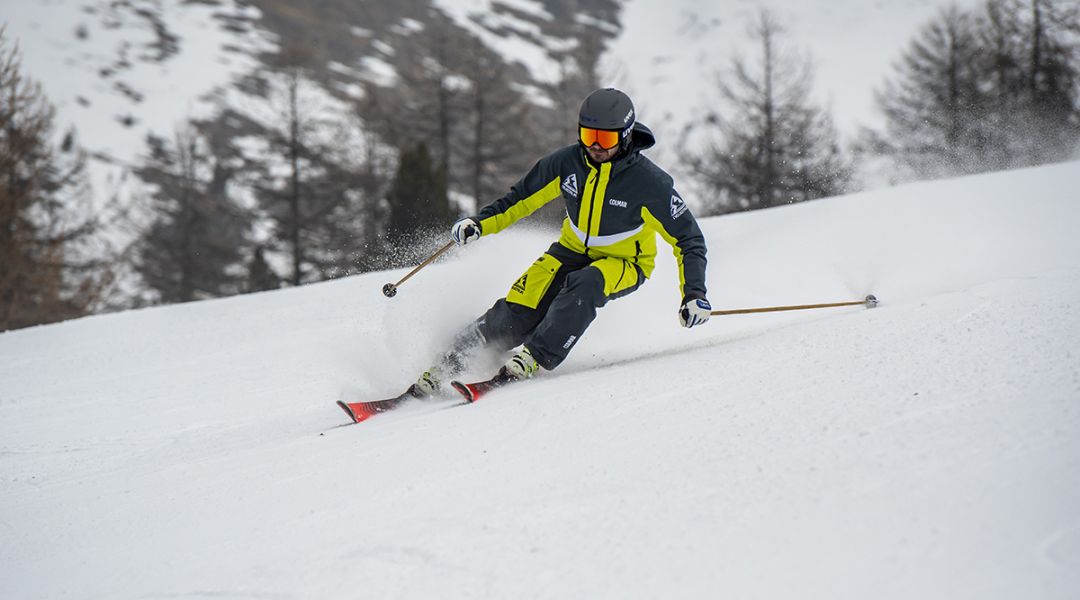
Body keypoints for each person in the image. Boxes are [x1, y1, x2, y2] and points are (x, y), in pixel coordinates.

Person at [409, 88, 712, 396]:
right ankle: (443, 367)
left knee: (586, 284)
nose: (594, 146)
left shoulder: (650, 184)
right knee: (516, 311)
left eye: (605, 139)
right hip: (569, 250)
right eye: (588, 134)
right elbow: (519, 200)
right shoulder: (567, 164)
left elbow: (689, 240)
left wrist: (694, 294)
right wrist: (479, 224)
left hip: (625, 262)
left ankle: (533, 358)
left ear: (625, 136)